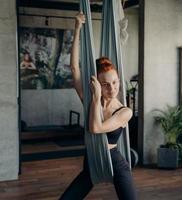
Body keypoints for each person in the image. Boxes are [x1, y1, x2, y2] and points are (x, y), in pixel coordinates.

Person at [59, 12, 137, 200]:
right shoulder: (90, 98)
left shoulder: (125, 111)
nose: (112, 88)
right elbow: (74, 69)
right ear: (97, 83)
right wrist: (77, 28)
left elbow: (96, 128)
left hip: (116, 163)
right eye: (105, 84)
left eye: (116, 82)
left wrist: (95, 98)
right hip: (92, 161)